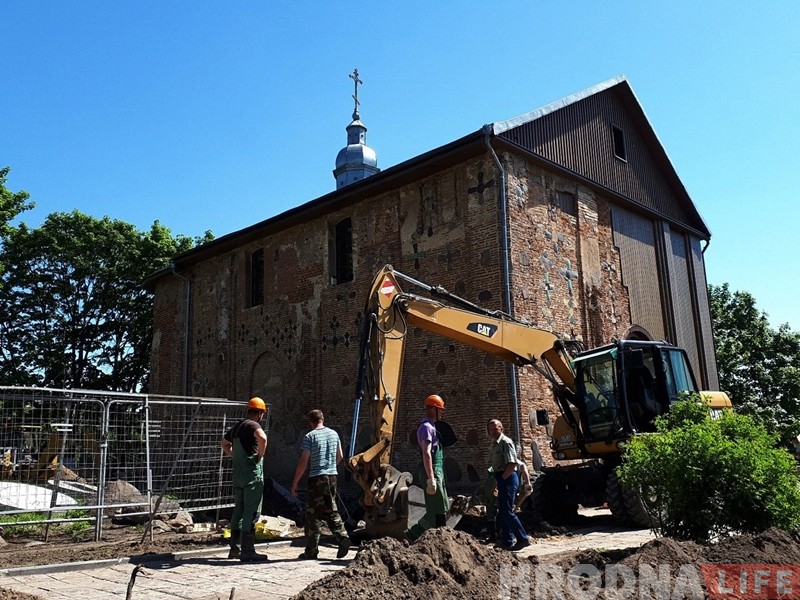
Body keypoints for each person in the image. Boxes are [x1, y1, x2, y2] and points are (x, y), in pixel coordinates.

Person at [291, 409, 351, 560]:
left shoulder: (309, 436)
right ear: (322, 419)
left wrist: (295, 482)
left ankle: (312, 550)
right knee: (330, 508)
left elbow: (304, 460)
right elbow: (341, 456)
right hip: (332, 476)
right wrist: (330, 468)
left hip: (317, 478)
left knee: (312, 514)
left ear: (310, 421)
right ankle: (343, 537)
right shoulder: (334, 434)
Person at [220, 397, 269, 562]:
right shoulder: (252, 425)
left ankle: (235, 549)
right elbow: (263, 438)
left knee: (238, 511)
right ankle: (248, 551)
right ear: (261, 413)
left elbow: (224, 443)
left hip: (238, 475)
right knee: (251, 511)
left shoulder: (237, 426)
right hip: (251, 476)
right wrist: (260, 455)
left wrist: (235, 456)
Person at [406, 394, 450, 541]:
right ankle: (412, 534)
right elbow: (426, 453)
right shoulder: (426, 427)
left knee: (441, 508)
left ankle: (441, 540)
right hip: (432, 471)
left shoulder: (432, 427)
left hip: (437, 470)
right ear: (433, 409)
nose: (442, 412)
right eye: (440, 409)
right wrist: (431, 478)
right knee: (435, 511)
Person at [487, 419, 530, 551]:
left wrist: (503, 480)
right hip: (501, 477)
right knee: (502, 511)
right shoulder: (494, 445)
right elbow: (496, 467)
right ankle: (507, 541)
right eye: (491, 429)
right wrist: (496, 482)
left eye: (496, 428)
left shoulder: (506, 442)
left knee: (507, 511)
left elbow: (511, 464)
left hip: (509, 477)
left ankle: (523, 539)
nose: (493, 431)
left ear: (501, 428)